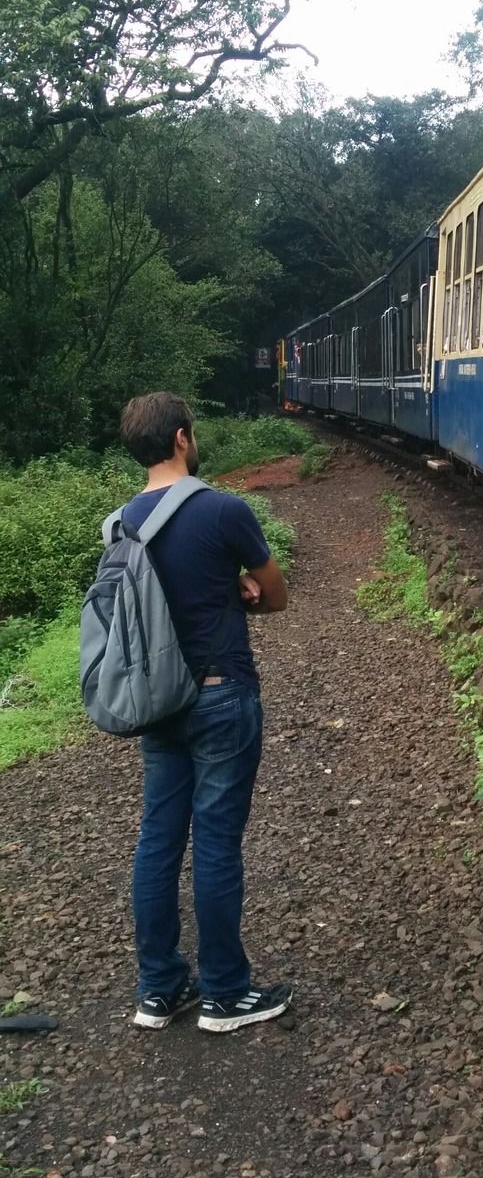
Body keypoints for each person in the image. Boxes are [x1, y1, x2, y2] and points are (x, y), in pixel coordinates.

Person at [117, 392, 292, 1034]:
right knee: (216, 842)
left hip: (157, 703)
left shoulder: (120, 525)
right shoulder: (222, 510)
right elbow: (275, 595)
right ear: (183, 438)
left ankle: (158, 991)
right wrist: (238, 590)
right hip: (220, 693)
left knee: (158, 839)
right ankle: (225, 993)